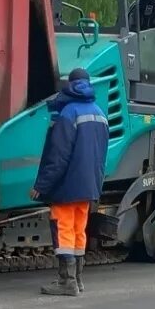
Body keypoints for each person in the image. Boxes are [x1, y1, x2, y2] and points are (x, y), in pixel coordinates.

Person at [32, 67, 109, 296]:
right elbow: (101, 157)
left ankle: (67, 281)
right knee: (78, 230)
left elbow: (58, 156)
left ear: (70, 85)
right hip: (89, 186)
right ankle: (78, 280)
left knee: (64, 229)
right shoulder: (100, 115)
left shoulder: (68, 113)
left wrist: (41, 186)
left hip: (67, 185)